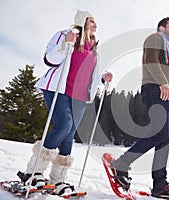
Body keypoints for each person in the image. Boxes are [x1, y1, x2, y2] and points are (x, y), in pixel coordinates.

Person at [18, 10, 112, 196]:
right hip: (58, 89)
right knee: (64, 126)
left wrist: (102, 79)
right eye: (91, 21)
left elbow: (87, 75)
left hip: (79, 97)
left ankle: (57, 179)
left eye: (95, 22)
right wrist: (66, 45)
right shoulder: (65, 35)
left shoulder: (94, 50)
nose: (95, 25)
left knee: (68, 135)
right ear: (82, 22)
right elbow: (49, 59)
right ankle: (33, 171)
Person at [111, 17, 169, 199]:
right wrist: (162, 84)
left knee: (166, 137)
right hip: (154, 88)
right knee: (160, 132)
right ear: (162, 27)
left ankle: (160, 184)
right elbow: (150, 60)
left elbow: (168, 78)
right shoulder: (156, 38)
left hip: (165, 92)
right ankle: (121, 163)